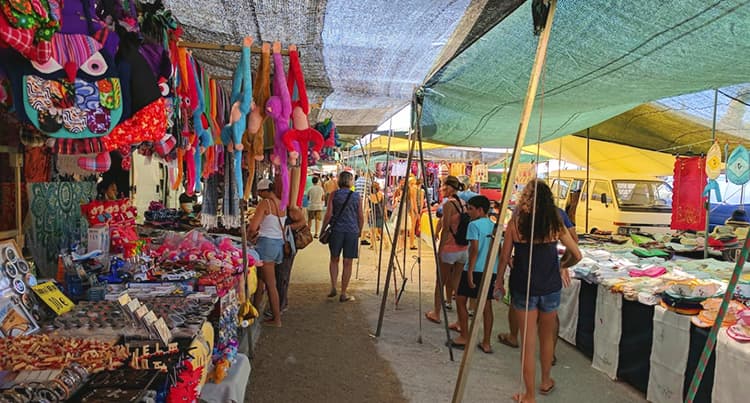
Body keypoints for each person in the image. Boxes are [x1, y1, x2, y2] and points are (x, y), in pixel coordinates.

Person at [493, 179, 581, 402]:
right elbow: (577, 254)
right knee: (547, 336)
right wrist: (563, 265)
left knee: (528, 341)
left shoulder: (515, 224)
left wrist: (499, 283)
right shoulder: (555, 223)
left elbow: (504, 257)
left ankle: (529, 394)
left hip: (523, 286)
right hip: (550, 287)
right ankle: (545, 381)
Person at [497, 206, 578, 366]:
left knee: (525, 320)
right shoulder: (556, 216)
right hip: (549, 276)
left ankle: (514, 337)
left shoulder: (518, 217)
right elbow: (575, 247)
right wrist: (563, 264)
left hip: (524, 276)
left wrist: (499, 279)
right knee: (549, 318)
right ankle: (549, 361)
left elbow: (505, 255)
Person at [449, 195, 497, 353]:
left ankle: (464, 335)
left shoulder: (473, 225)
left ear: (480, 210)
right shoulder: (493, 225)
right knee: (486, 305)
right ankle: (487, 342)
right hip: (490, 269)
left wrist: (469, 271)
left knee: (461, 299)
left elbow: (474, 249)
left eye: (470, 208)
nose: (468, 211)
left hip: (475, 268)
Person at [425, 175, 468, 323]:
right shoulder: (463, 203)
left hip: (450, 248)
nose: (441, 188)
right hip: (463, 249)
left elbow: (446, 228)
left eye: (443, 186)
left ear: (449, 187)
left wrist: (440, 249)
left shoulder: (449, 204)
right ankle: (460, 320)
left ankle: (436, 313)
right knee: (457, 284)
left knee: (440, 282)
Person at [248, 179, 286, 327]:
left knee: (271, 284)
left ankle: (277, 319)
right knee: (261, 279)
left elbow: (253, 227)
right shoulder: (282, 203)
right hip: (278, 245)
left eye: (259, 192)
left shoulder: (265, 204)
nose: (258, 194)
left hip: (266, 245)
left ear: (264, 191)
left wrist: (249, 235)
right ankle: (255, 311)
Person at [322, 171, 363, 302]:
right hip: (351, 231)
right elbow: (360, 216)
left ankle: (333, 286)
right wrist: (359, 230)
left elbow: (328, 215)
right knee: (348, 262)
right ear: (350, 181)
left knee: (334, 259)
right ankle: (343, 292)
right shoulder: (357, 196)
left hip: (336, 231)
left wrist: (323, 229)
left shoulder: (333, 195)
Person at [273, 204, 307, 315]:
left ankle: (280, 306)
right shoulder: (278, 205)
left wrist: (287, 228)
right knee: (280, 275)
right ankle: (279, 304)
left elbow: (302, 222)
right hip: (281, 245)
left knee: (282, 275)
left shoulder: (291, 208)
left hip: (287, 245)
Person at [365, 182, 386, 250]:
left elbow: (367, 209)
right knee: (380, 231)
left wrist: (367, 216)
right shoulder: (381, 195)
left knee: (372, 231)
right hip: (380, 214)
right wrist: (385, 215)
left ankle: (372, 245)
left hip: (372, 215)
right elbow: (384, 206)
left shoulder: (368, 197)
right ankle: (386, 243)